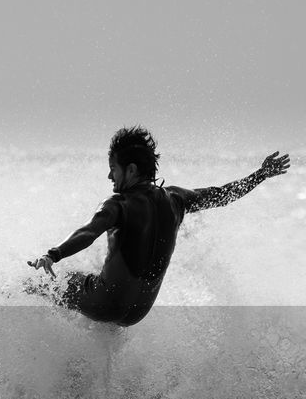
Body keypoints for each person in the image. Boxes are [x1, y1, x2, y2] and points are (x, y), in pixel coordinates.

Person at [29, 127, 291, 326]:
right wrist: (261, 174)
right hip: (137, 313)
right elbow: (222, 195)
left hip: (105, 303)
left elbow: (88, 232)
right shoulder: (176, 200)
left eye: (113, 169)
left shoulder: (118, 204)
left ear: (130, 170)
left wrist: (53, 254)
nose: (110, 176)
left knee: (41, 282)